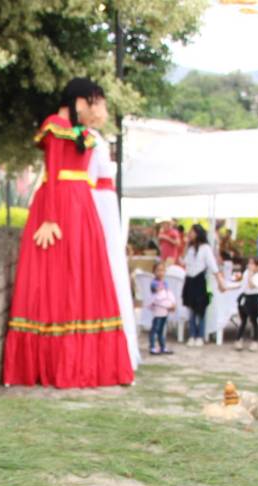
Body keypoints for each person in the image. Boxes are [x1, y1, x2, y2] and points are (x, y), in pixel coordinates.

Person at [2, 78, 133, 388]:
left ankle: (89, 366)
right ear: (80, 101)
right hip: (61, 207)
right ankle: (57, 362)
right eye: (94, 101)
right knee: (55, 280)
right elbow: (53, 172)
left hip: (81, 207)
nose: (97, 108)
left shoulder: (80, 132)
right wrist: (49, 218)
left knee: (85, 275)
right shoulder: (56, 126)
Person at [85, 97, 140, 372]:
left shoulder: (95, 139)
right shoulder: (88, 139)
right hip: (98, 204)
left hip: (105, 205)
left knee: (114, 267)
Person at [181, 223, 220, 347]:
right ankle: (192, 334)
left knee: (201, 309)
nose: (190, 234)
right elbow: (183, 261)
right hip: (190, 279)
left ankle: (200, 335)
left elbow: (212, 265)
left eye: (192, 232)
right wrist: (185, 246)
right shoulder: (190, 248)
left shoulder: (205, 248)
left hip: (199, 280)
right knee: (191, 309)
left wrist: (220, 280)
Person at [233, 256, 258, 351]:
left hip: (254, 299)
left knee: (254, 321)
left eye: (252, 264)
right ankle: (238, 339)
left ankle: (255, 342)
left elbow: (252, 286)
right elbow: (243, 285)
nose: (249, 265)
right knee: (243, 320)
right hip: (245, 297)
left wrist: (250, 275)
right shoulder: (246, 273)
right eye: (249, 263)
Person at [147, 260, 176, 356]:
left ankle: (162, 346)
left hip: (165, 311)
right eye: (158, 270)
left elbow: (168, 295)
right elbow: (159, 297)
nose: (160, 273)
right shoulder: (154, 284)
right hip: (158, 310)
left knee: (161, 330)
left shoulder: (165, 283)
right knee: (155, 329)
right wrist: (168, 304)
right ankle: (152, 347)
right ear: (154, 272)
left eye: (162, 270)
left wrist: (172, 304)